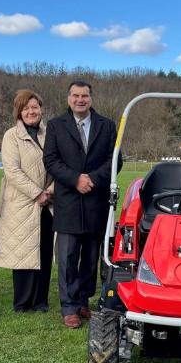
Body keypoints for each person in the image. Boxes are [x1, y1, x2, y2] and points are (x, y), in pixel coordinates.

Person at [44, 81, 121, 328]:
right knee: (67, 258)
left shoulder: (108, 126)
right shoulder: (56, 126)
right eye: (75, 95)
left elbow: (116, 160)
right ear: (68, 98)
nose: (80, 99)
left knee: (90, 258)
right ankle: (68, 307)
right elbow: (51, 160)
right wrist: (75, 179)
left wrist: (93, 180)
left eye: (84, 96)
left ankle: (83, 301)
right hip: (68, 201)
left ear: (91, 98)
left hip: (96, 202)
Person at [0, 89, 54, 312]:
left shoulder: (51, 134)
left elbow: (60, 166)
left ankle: (41, 301)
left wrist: (50, 191)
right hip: (22, 203)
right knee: (22, 253)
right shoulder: (11, 136)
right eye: (26, 108)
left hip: (48, 204)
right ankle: (22, 302)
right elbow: (12, 171)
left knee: (44, 251)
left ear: (41, 109)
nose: (31, 111)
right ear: (19, 111)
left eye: (34, 107)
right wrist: (37, 193)